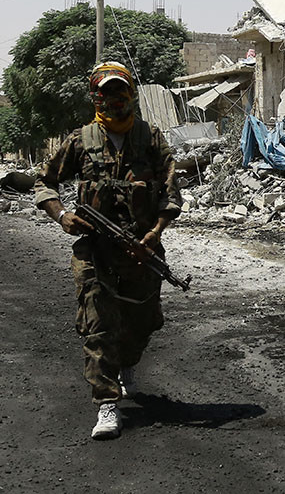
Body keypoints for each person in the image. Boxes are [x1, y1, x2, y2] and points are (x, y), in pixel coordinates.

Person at [34, 62, 182, 440]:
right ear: (95, 96)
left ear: (131, 93)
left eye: (121, 92)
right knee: (97, 322)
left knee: (143, 322)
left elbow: (170, 192)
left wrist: (155, 232)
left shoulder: (150, 138)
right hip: (95, 250)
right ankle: (107, 403)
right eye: (106, 93)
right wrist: (62, 215)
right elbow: (44, 183)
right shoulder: (80, 140)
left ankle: (128, 361)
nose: (115, 100)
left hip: (142, 248)